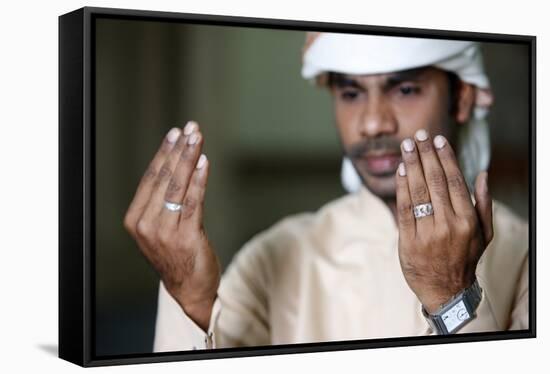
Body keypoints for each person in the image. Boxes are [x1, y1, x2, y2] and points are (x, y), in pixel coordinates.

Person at [123, 32, 529, 351]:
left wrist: (452, 296)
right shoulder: (272, 257)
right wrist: (190, 302)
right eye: (351, 94)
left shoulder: (529, 255)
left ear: (462, 97)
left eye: (404, 89)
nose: (372, 124)